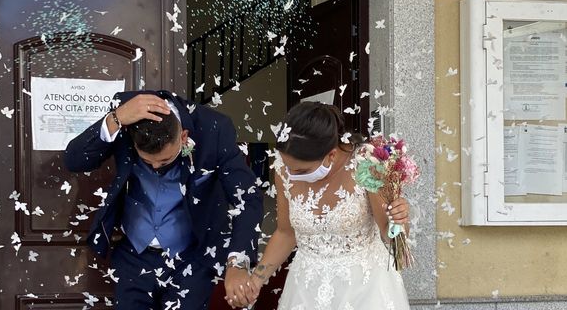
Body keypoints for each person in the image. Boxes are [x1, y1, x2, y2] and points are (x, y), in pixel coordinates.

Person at [64, 90, 263, 310]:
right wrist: (115, 118)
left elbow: (248, 197)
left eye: (165, 159)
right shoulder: (126, 118)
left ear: (184, 136)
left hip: (192, 258)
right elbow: (74, 161)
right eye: (148, 162)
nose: (157, 167)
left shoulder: (214, 128)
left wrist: (238, 262)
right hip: (133, 258)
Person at [233, 101, 411, 309]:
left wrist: (398, 218)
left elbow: (390, 236)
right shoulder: (286, 166)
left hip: (365, 290)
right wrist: (256, 280)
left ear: (331, 155)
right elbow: (286, 233)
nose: (291, 175)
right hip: (306, 290)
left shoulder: (366, 163)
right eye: (288, 168)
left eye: (301, 171)